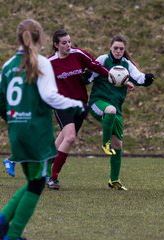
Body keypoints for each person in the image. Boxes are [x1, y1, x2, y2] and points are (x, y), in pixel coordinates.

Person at [0, 19, 86, 240]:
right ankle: (12, 233)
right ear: (42, 38)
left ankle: (3, 220)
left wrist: (13, 118)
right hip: (36, 132)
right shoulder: (41, 63)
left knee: (34, 181)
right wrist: (76, 106)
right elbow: (50, 96)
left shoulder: (8, 65)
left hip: (17, 132)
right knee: (37, 184)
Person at [43, 29, 109, 190]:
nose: (68, 45)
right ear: (56, 45)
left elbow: (97, 67)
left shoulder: (79, 54)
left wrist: (117, 78)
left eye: (69, 41)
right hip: (61, 104)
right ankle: (53, 178)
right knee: (70, 137)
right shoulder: (49, 62)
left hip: (80, 106)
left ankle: (43, 166)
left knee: (64, 138)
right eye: (64, 43)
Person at [88, 35, 155, 190]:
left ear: (124, 50)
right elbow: (90, 76)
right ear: (110, 48)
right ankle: (104, 143)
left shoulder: (126, 64)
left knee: (118, 144)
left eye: (121, 49)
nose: (118, 51)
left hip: (115, 108)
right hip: (98, 103)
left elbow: (139, 77)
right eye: (115, 48)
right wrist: (85, 76)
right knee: (109, 111)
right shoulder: (103, 59)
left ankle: (114, 180)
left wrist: (147, 79)